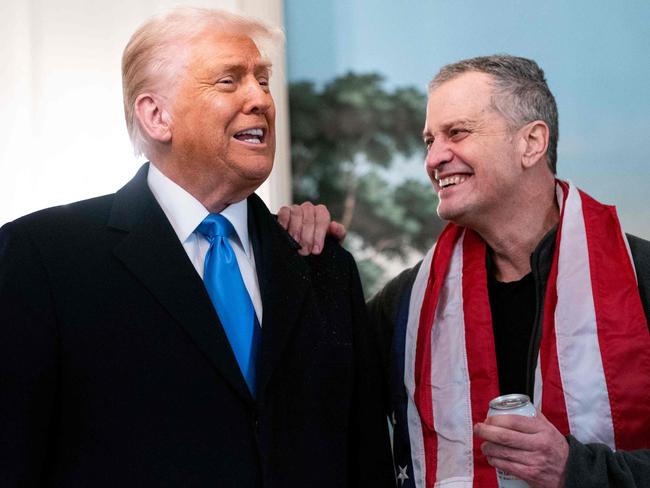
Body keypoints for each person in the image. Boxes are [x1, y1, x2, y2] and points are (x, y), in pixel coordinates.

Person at [0, 8, 395, 487]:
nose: (261, 99)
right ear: (156, 116)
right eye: (229, 81)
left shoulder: (322, 265)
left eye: (263, 80)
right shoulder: (42, 258)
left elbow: (365, 460)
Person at [279, 55, 650, 487]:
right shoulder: (407, 304)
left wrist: (575, 469)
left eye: (457, 133)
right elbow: (317, 411)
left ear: (531, 142)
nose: (434, 158)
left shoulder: (640, 279)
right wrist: (302, 261)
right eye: (429, 141)